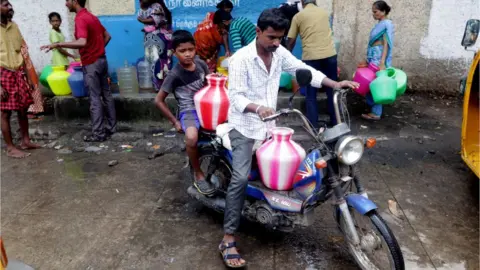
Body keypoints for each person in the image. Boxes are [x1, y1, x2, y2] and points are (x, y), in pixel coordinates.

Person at [221, 8, 359, 268]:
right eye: (271, 37)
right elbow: (236, 97)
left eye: (280, 38)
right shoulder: (240, 59)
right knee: (239, 178)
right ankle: (228, 238)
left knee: (296, 161)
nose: (276, 43)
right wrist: (257, 108)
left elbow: (303, 69)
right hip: (245, 126)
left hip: (269, 125)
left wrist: (335, 84)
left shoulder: (279, 52)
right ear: (258, 32)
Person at [41, 0, 116, 142]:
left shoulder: (81, 18)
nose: (65, 4)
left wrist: (57, 44)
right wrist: (97, 51)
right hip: (101, 60)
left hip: (92, 63)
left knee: (94, 99)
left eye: (67, 0)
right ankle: (112, 128)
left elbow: (82, 42)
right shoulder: (92, 17)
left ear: (75, 1)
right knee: (106, 95)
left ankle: (98, 134)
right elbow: (108, 36)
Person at [154, 30, 216, 195]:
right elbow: (158, 100)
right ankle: (198, 172)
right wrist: (175, 121)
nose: (188, 54)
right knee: (191, 137)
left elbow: (210, 83)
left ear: (195, 49)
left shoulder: (201, 64)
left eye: (191, 49)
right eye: (182, 51)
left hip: (206, 106)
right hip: (189, 111)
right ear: (174, 53)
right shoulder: (174, 75)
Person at [286, 0, 338, 128]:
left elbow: (291, 40)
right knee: (331, 90)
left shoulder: (298, 16)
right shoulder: (324, 13)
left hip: (311, 58)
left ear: (302, 3)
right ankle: (335, 122)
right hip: (330, 55)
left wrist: (286, 56)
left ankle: (312, 125)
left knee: (311, 93)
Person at [1, 0, 41, 158]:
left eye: (10, 5)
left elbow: (21, 52)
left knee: (23, 108)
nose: (10, 7)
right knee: (4, 113)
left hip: (18, 73)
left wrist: (29, 77)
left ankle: (25, 141)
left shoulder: (14, 26)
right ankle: (10, 147)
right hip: (2, 73)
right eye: (5, 4)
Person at [359, 0, 394, 121]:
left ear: (383, 11)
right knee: (370, 82)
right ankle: (373, 109)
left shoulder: (387, 24)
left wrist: (382, 62)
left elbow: (386, 44)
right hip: (373, 56)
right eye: (372, 12)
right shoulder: (380, 23)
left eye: (376, 12)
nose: (373, 14)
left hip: (378, 58)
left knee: (375, 84)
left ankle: (376, 112)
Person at [8, 8, 44, 118]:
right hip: (15, 60)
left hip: (23, 58)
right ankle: (30, 109)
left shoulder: (13, 26)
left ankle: (36, 108)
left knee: (32, 81)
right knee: (25, 84)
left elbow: (20, 43)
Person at [137, 0, 173, 90]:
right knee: (153, 61)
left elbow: (155, 20)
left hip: (161, 37)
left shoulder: (157, 5)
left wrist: (142, 20)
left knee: (161, 62)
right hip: (152, 38)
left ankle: (163, 86)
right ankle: (158, 85)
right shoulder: (146, 7)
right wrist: (142, 6)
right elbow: (139, 15)